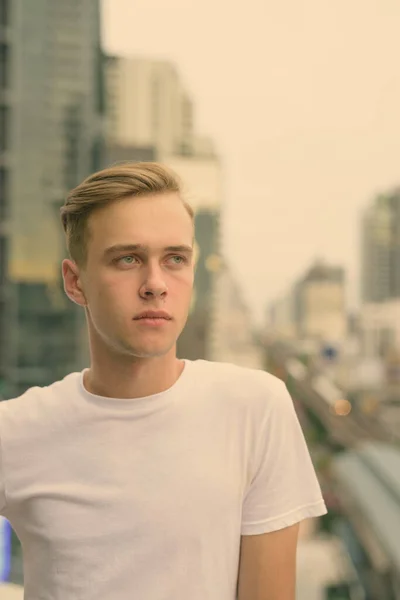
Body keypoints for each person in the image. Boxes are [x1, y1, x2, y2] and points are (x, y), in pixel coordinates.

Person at [0, 162, 327, 600]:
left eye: (175, 259)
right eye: (127, 259)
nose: (155, 284)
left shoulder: (254, 406)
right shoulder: (16, 429)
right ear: (75, 282)